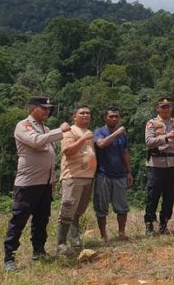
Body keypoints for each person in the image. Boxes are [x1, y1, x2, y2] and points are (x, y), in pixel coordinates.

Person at [3, 97, 71, 271]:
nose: (47, 111)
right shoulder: (23, 125)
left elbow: (49, 152)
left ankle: (39, 251)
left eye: (48, 109)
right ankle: (9, 257)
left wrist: (52, 180)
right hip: (28, 183)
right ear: (32, 108)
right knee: (19, 219)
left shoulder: (45, 128)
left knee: (41, 219)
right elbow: (36, 141)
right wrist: (61, 130)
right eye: (43, 108)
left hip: (45, 182)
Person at [56, 106, 97, 256]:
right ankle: (61, 244)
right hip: (73, 176)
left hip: (88, 176)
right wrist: (83, 139)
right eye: (82, 113)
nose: (86, 115)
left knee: (78, 211)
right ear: (74, 116)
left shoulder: (88, 132)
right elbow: (68, 151)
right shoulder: (70, 131)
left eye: (88, 113)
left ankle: (74, 239)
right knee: (68, 209)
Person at [144, 97, 174, 235]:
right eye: (163, 107)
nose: (166, 109)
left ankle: (164, 224)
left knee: (169, 196)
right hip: (156, 163)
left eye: (168, 106)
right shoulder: (152, 123)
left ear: (171, 108)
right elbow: (149, 142)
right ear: (158, 108)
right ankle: (149, 224)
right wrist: (165, 137)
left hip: (171, 164)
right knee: (153, 195)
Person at [93, 107, 133, 242]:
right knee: (101, 207)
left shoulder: (123, 135)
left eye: (116, 116)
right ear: (105, 118)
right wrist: (117, 133)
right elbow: (101, 144)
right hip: (103, 174)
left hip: (120, 174)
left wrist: (129, 172)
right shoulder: (99, 132)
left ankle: (121, 233)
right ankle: (103, 236)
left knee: (122, 207)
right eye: (111, 116)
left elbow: (125, 153)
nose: (114, 119)